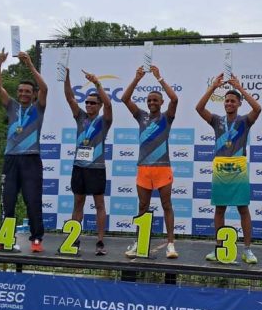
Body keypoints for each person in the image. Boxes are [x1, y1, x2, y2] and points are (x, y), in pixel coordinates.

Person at [195, 73, 262, 264]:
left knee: (243, 209)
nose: (229, 103)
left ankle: (247, 250)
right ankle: (219, 248)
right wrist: (213, 87)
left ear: (239, 104)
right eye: (227, 101)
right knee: (219, 210)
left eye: (233, 101)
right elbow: (199, 108)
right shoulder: (217, 120)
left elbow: (258, 108)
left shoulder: (244, 121)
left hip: (239, 169)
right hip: (221, 169)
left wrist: (239, 88)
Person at [0, 49, 48, 253]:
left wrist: (29, 64)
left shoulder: (38, 108)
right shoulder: (11, 106)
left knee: (32, 200)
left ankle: (36, 239)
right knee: (8, 201)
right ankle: (4, 239)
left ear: (33, 94)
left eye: (27, 91)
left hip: (31, 160)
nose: (23, 94)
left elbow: (45, 88)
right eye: (20, 91)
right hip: (11, 159)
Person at [121, 65, 179, 259]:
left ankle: (170, 245)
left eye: (155, 100)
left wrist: (159, 78)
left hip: (163, 169)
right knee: (143, 207)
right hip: (144, 169)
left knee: (167, 205)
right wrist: (137, 78)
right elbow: (125, 99)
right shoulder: (141, 116)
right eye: (149, 100)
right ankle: (140, 243)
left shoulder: (167, 117)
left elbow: (175, 99)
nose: (152, 102)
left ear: (161, 102)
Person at [63, 68, 112, 255]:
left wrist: (97, 83)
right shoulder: (80, 117)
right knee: (78, 204)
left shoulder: (104, 120)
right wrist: (67, 77)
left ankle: (100, 242)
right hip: (79, 167)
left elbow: (109, 105)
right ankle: (73, 240)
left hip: (96, 168)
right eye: (87, 102)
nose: (89, 105)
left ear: (99, 105)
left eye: (93, 103)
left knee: (99, 204)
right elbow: (70, 98)